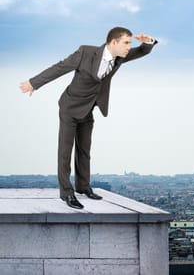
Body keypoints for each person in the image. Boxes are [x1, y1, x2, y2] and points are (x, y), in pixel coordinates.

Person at [19, 27, 157, 209]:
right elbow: (60, 67)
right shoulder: (86, 52)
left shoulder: (120, 57)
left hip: (88, 110)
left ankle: (83, 187)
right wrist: (33, 83)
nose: (128, 47)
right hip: (69, 108)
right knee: (65, 153)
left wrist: (148, 42)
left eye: (129, 43)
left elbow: (141, 51)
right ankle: (66, 194)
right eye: (126, 43)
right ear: (113, 42)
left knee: (84, 151)